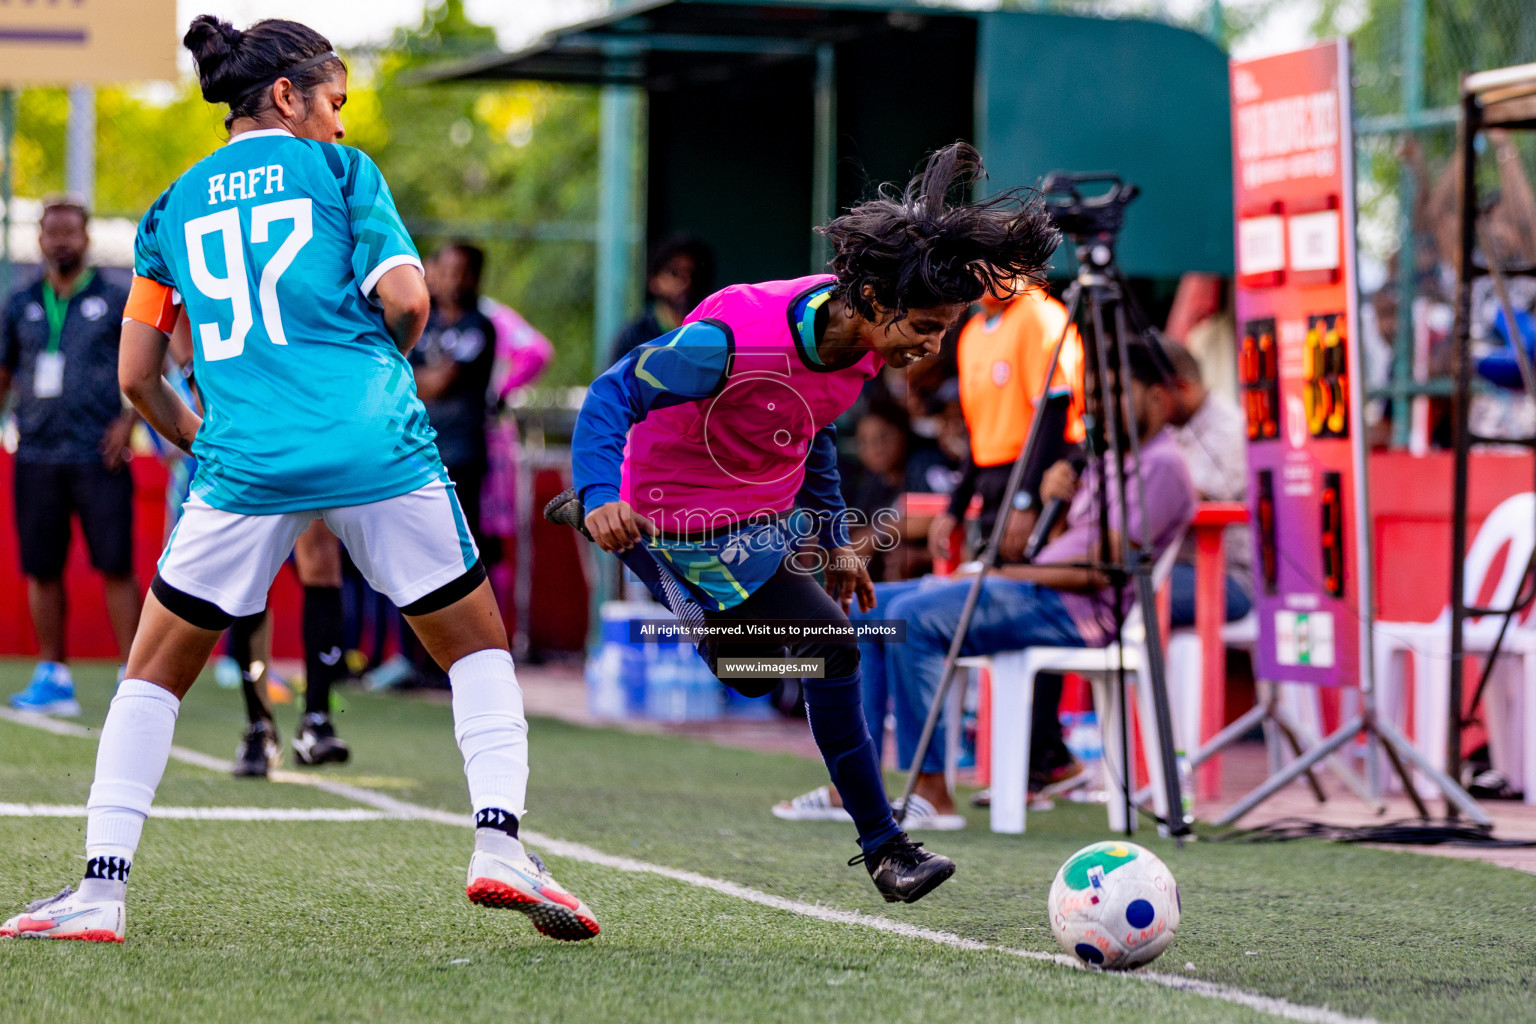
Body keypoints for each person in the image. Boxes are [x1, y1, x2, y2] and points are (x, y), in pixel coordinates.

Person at [2, 16, 596, 944]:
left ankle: (99, 892)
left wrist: (204, 443)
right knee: (475, 649)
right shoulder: (343, 177)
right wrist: (374, 376)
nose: (342, 124)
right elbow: (407, 301)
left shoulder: (169, 208)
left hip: (245, 461)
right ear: (289, 94)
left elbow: (134, 378)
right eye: (335, 102)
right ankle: (498, 845)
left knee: (151, 675)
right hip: (377, 447)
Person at [549, 142, 1061, 902]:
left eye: (944, 332)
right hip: (672, 511)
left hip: (759, 513)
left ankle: (885, 843)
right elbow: (611, 393)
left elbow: (813, 425)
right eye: (923, 326)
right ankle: (887, 848)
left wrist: (833, 541)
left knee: (750, 678)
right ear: (873, 301)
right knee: (833, 649)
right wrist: (597, 494)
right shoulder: (730, 343)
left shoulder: (859, 348)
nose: (930, 348)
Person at [778, 343, 1196, 829]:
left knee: (908, 619)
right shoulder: (1103, 460)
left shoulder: (1162, 465)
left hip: (1075, 610)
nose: (1099, 406)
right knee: (860, 608)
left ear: (1159, 398)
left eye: (1117, 393)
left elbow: (1099, 570)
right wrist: (1050, 499)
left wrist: (1000, 573)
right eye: (1096, 394)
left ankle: (933, 791)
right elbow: (1062, 547)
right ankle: (851, 783)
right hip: (1035, 590)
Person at [1, 196, 141, 716]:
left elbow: (143, 367)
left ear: (86, 240)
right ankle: (52, 675)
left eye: (70, 232)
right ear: (39, 239)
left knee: (115, 565)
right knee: (42, 568)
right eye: (52, 231)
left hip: (97, 455)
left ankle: (133, 675)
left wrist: (129, 423)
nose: (61, 240)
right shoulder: (19, 302)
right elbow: (4, 371)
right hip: (36, 454)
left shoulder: (115, 297)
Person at [1162, 339, 1253, 627]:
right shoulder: (1175, 425)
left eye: (1155, 396)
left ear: (1183, 388)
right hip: (1180, 568)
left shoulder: (1228, 429)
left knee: (1121, 587)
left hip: (1231, 578)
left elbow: (1181, 499)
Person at [606, 234, 715, 367]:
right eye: (674, 272)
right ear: (654, 280)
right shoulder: (633, 337)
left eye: (694, 273)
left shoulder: (713, 335)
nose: (686, 281)